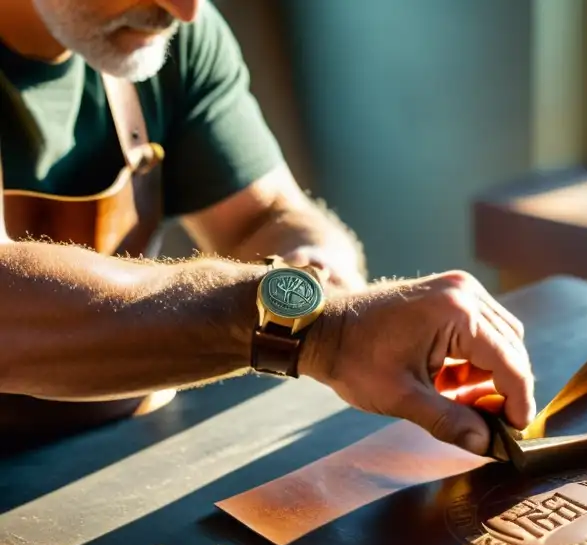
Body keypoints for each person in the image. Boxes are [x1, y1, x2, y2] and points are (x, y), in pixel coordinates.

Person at [0, 0, 536, 456]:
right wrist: (323, 330)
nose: (185, 10)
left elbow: (267, 215)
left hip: (129, 443)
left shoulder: (172, 33)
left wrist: (320, 278)